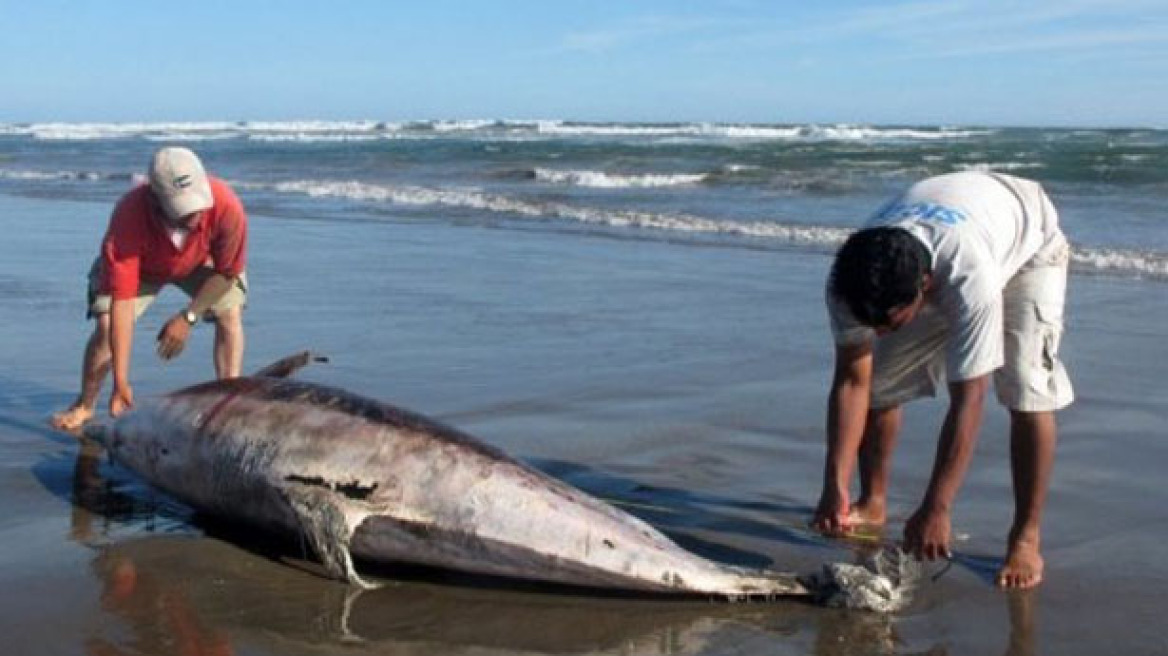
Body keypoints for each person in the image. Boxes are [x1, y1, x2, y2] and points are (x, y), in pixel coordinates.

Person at [812, 171, 1073, 590]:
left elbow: (970, 399)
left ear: (924, 288)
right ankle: (870, 501)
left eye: (890, 322)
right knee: (878, 383)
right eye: (870, 322)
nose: (879, 332)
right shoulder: (848, 281)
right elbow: (851, 383)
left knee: (1026, 389)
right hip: (960, 221)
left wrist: (938, 506)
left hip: (1028, 245)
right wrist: (832, 485)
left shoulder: (970, 281)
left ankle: (1026, 535)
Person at [51, 147, 248, 430]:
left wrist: (188, 317)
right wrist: (121, 382)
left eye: (197, 202)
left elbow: (227, 273)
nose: (194, 213)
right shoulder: (129, 215)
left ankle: (228, 403)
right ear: (154, 198)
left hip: (200, 263)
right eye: (182, 207)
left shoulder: (227, 206)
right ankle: (85, 404)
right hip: (142, 267)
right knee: (107, 326)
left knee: (230, 313)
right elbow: (122, 300)